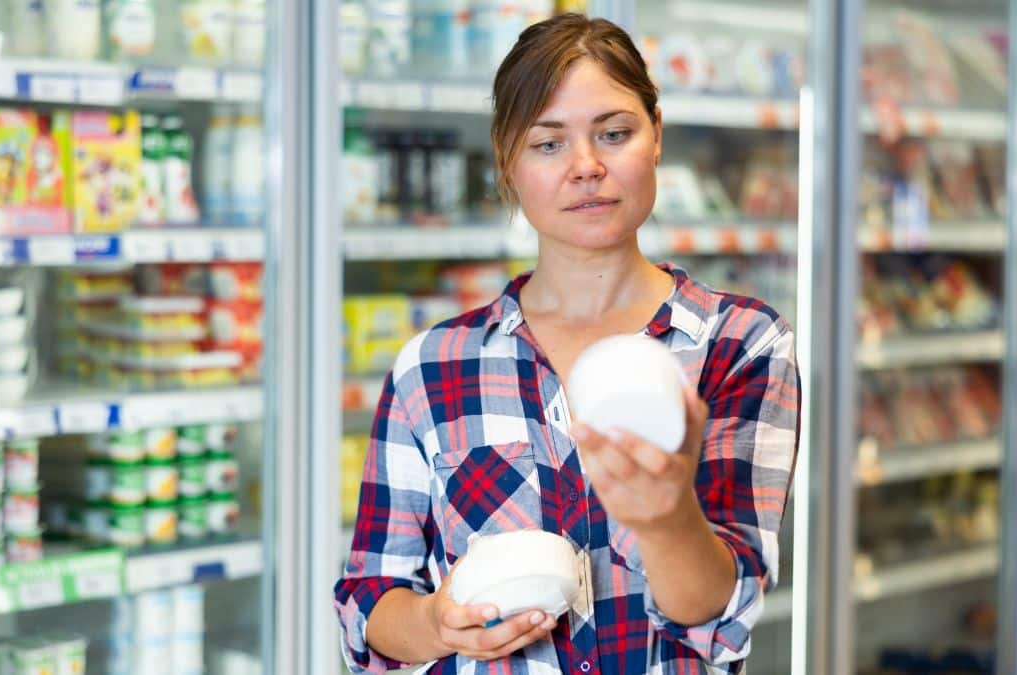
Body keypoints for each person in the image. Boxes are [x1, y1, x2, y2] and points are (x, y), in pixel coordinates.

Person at [334, 13, 800, 675]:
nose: (587, 167)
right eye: (548, 144)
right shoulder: (432, 368)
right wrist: (438, 622)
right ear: (507, 159)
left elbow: (719, 616)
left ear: (656, 135)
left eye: (614, 133)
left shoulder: (741, 346)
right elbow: (370, 599)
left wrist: (668, 516)